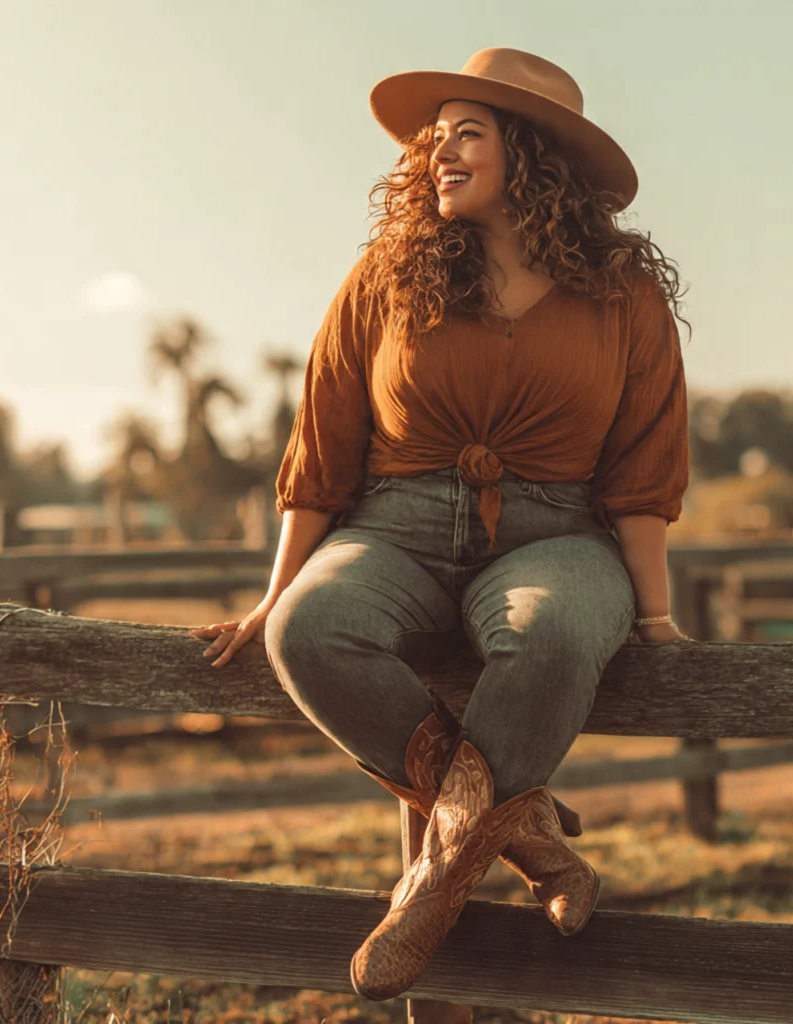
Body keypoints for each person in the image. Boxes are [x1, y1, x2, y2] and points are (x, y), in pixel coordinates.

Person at [191, 46, 691, 1002]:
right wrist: (272, 593)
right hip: (395, 526)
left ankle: (427, 889)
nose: (438, 153)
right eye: (436, 136)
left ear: (533, 153)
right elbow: (323, 441)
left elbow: (644, 462)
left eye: (469, 133)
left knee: (550, 635)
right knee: (310, 627)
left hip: (558, 535)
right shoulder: (387, 271)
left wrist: (656, 618)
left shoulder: (624, 288)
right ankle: (531, 840)